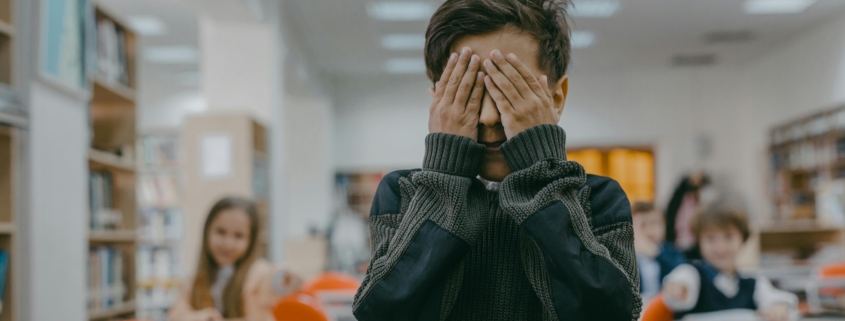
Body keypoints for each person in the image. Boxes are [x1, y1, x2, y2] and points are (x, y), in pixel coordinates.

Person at [352, 0, 640, 320]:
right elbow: (381, 314)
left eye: (510, 91)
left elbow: (612, 314)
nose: (489, 117)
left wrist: (541, 170)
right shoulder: (403, 193)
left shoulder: (598, 199)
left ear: (555, 99)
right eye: (468, 93)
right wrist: (444, 176)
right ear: (438, 104)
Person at [169, 197, 301, 321]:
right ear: (207, 232)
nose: (228, 244)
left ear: (251, 241)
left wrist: (282, 279)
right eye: (221, 232)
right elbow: (177, 314)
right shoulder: (197, 279)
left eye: (238, 236)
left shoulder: (257, 273)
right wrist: (201, 317)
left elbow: (272, 281)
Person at [661, 206, 797, 321]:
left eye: (728, 237)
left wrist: (777, 306)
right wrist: (679, 290)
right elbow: (682, 284)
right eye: (710, 239)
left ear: (743, 239)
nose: (720, 247)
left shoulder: (753, 283)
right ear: (699, 242)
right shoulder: (692, 273)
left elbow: (774, 298)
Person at [633, 202, 685, 300]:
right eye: (643, 225)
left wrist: (657, 253)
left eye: (654, 223)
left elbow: (682, 270)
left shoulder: (671, 251)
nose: (649, 229)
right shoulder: (626, 254)